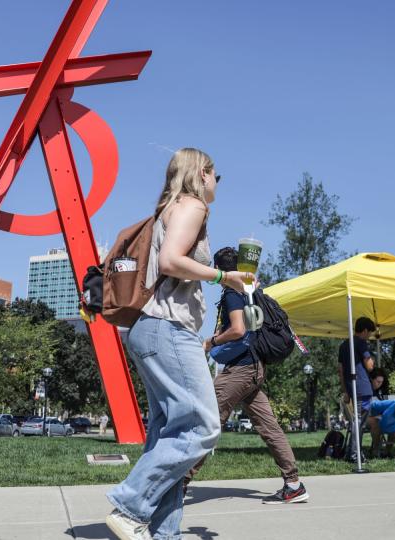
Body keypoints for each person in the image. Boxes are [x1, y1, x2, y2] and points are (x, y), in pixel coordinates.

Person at [105, 148, 252, 540]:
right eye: (216, 176)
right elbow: (171, 261)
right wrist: (224, 277)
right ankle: (130, 506)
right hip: (168, 328)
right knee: (203, 427)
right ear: (202, 173)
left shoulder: (167, 208)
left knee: (169, 434)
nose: (217, 184)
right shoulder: (192, 206)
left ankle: (163, 532)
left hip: (149, 329)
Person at [184, 247, 308, 504]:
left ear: (219, 270)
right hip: (255, 368)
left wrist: (210, 341)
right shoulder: (250, 290)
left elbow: (239, 330)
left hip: (241, 369)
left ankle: (178, 484)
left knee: (208, 420)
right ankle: (294, 484)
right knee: (269, 426)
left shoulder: (232, 292)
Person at [337, 317, 377, 460]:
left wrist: (345, 390)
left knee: (356, 421)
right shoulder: (361, 343)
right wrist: (371, 358)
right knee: (359, 422)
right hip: (363, 387)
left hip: (350, 386)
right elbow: (370, 366)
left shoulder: (344, 345)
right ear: (365, 330)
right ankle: (355, 454)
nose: (369, 336)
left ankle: (351, 452)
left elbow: (340, 369)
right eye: (369, 333)